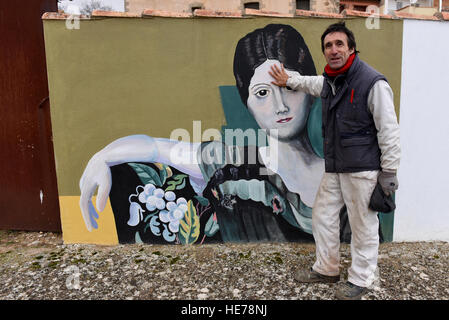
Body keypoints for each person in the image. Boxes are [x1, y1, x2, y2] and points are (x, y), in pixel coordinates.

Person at [79, 24, 339, 244]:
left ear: (311, 91)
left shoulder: (345, 171)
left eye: (289, 86)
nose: (280, 105)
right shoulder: (230, 162)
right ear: (246, 103)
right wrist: (101, 157)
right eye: (262, 93)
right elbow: (154, 147)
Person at [269, 21, 400, 300]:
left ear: (351, 49)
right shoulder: (330, 80)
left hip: (363, 170)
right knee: (323, 216)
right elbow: (312, 83)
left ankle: (361, 279)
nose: (333, 49)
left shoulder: (372, 82)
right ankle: (327, 269)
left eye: (339, 44)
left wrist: (389, 173)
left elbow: (389, 129)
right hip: (336, 167)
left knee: (363, 226)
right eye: (328, 45)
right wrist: (289, 80)